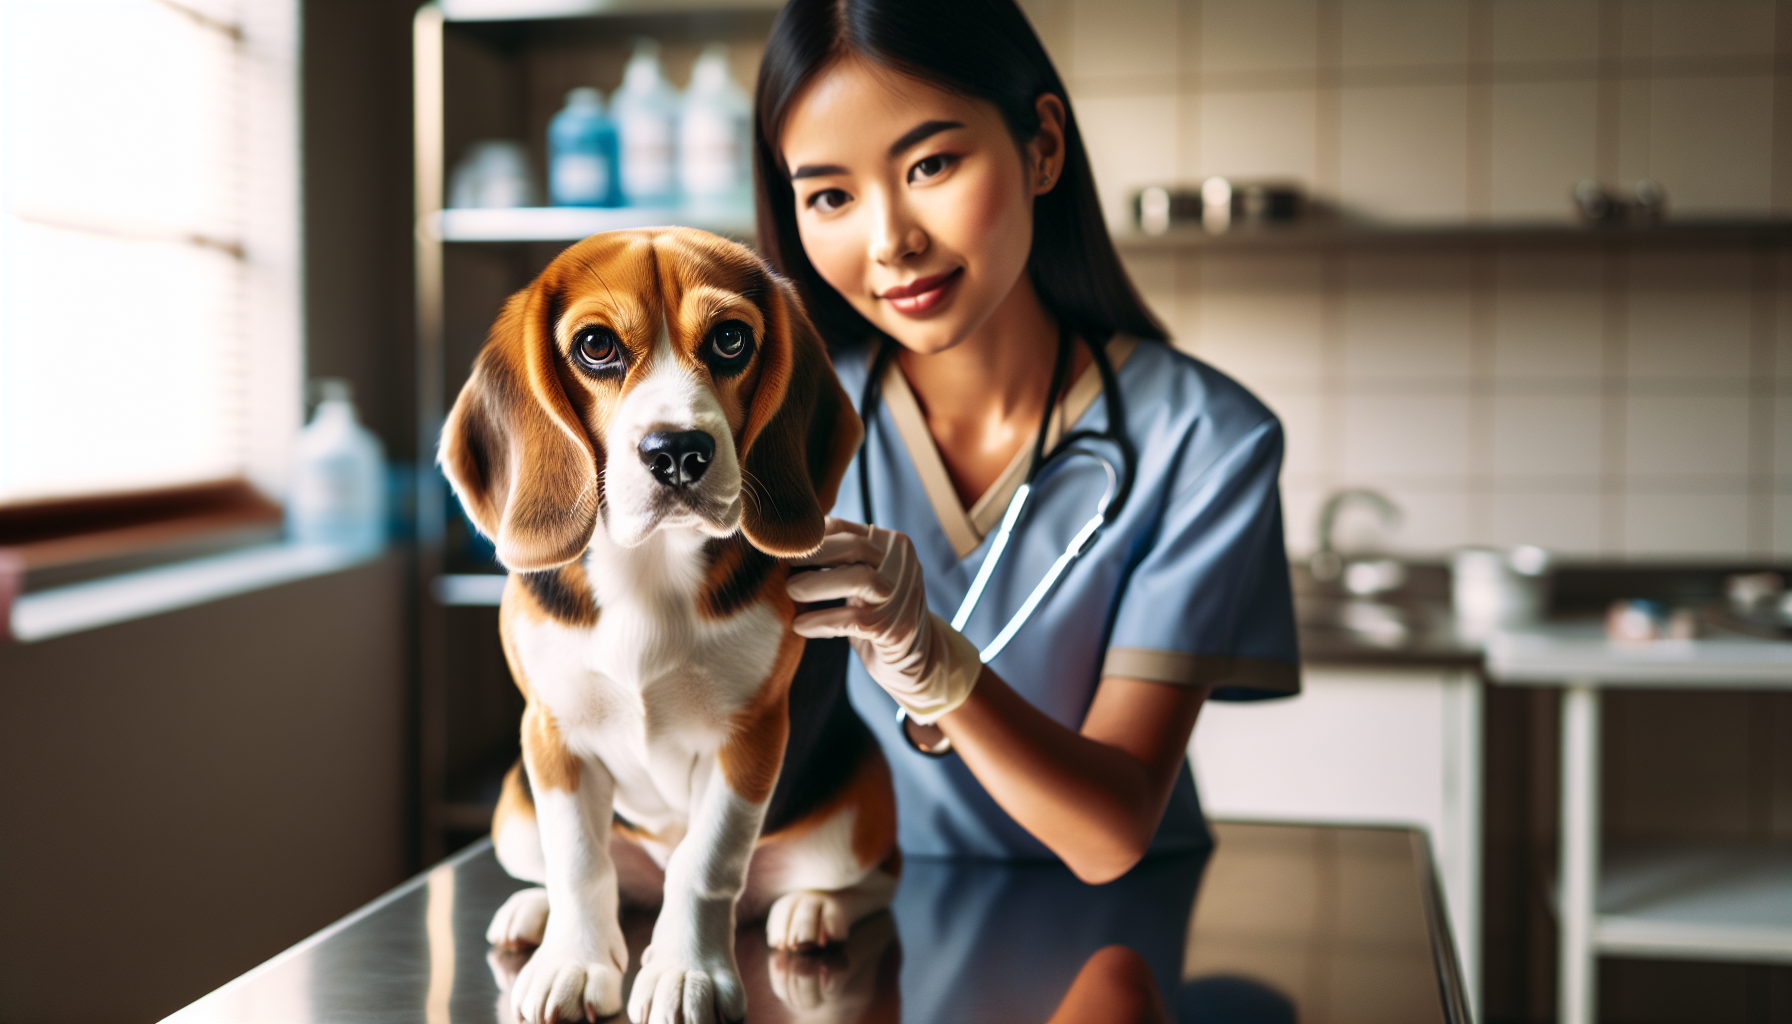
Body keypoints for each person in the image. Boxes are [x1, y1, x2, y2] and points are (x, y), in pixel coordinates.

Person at [756, 0, 1299, 887]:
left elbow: (1110, 832)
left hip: (1114, 934)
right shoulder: (777, 428)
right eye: (830, 195)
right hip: (851, 916)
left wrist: (939, 669)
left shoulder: (1203, 441)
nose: (891, 239)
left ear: (1042, 146)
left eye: (930, 163)